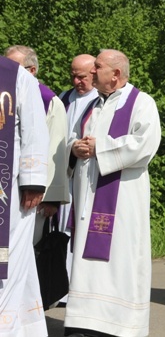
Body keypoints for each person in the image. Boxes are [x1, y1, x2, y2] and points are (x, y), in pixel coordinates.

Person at [64, 49, 161, 337]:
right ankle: (82, 322)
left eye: (98, 67)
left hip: (123, 199)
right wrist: (74, 148)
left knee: (120, 258)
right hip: (87, 194)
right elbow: (72, 136)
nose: (92, 72)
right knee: (85, 261)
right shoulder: (92, 104)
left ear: (116, 74)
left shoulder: (142, 103)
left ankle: (119, 325)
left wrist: (100, 148)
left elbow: (145, 144)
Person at [0, 55, 50, 335]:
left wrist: (33, 181)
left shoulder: (16, 76)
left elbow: (34, 128)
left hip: (8, 194)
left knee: (8, 263)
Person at [4, 46, 69, 246]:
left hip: (31, 192)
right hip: (6, 181)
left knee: (24, 247)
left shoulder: (49, 101)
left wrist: (51, 197)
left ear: (31, 71)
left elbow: (54, 152)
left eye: (13, 66)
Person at [58, 54, 99, 305]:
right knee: (62, 228)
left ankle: (81, 286)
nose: (76, 81)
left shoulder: (101, 101)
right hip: (64, 172)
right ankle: (61, 286)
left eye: (82, 76)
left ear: (94, 73)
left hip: (89, 176)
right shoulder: (62, 98)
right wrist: (71, 147)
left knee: (81, 230)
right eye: (73, 75)